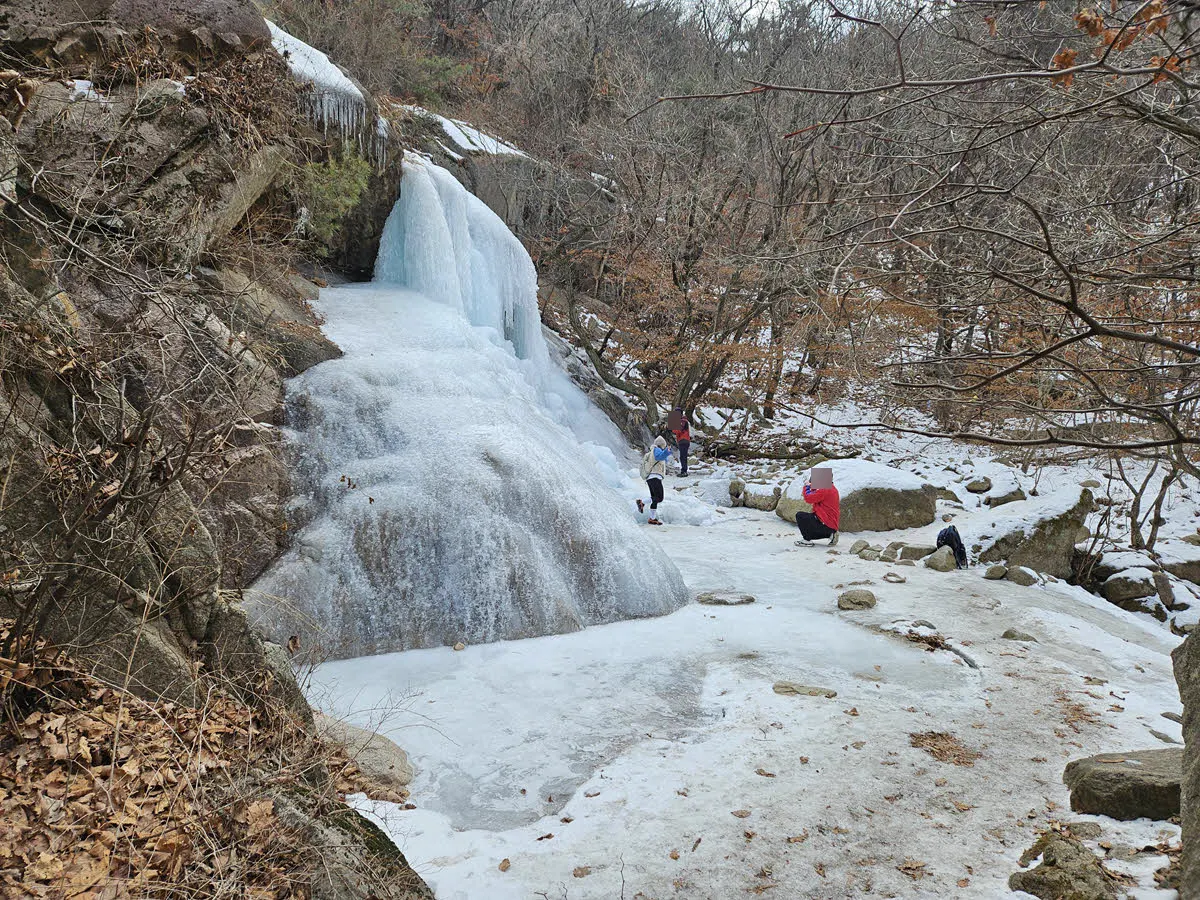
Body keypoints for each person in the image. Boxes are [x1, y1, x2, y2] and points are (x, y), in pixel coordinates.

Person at [636, 436, 672, 525]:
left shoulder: (651, 452)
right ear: (662, 445)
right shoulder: (657, 450)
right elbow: (660, 457)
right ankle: (641, 502)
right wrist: (667, 451)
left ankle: (652, 518)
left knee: (654, 499)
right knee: (659, 498)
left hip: (650, 478)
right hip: (655, 477)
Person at [796, 475, 840, 547]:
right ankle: (831, 534)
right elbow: (816, 494)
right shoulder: (831, 488)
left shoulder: (825, 490)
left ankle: (807, 540)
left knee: (800, 516)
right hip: (830, 524)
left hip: (825, 523)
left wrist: (806, 486)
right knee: (810, 520)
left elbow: (808, 498)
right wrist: (812, 487)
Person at [671, 407, 691, 476]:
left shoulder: (683, 421)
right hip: (682, 440)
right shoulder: (683, 420)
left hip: (684, 440)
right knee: (683, 456)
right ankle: (684, 470)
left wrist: (672, 427)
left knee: (683, 456)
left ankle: (684, 471)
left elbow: (678, 430)